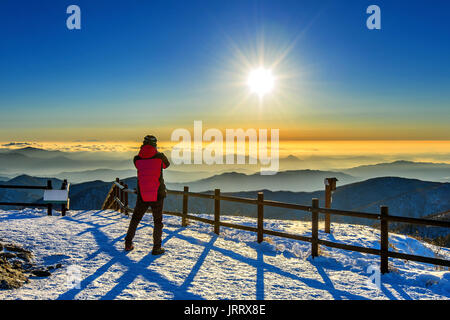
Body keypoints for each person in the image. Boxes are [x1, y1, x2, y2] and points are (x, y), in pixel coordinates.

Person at [125, 135, 170, 255]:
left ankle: (128, 243)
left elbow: (140, 166)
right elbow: (167, 165)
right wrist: (158, 153)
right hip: (157, 194)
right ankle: (156, 247)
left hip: (143, 194)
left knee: (135, 218)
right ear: (155, 144)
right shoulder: (160, 157)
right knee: (157, 221)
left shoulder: (137, 159)